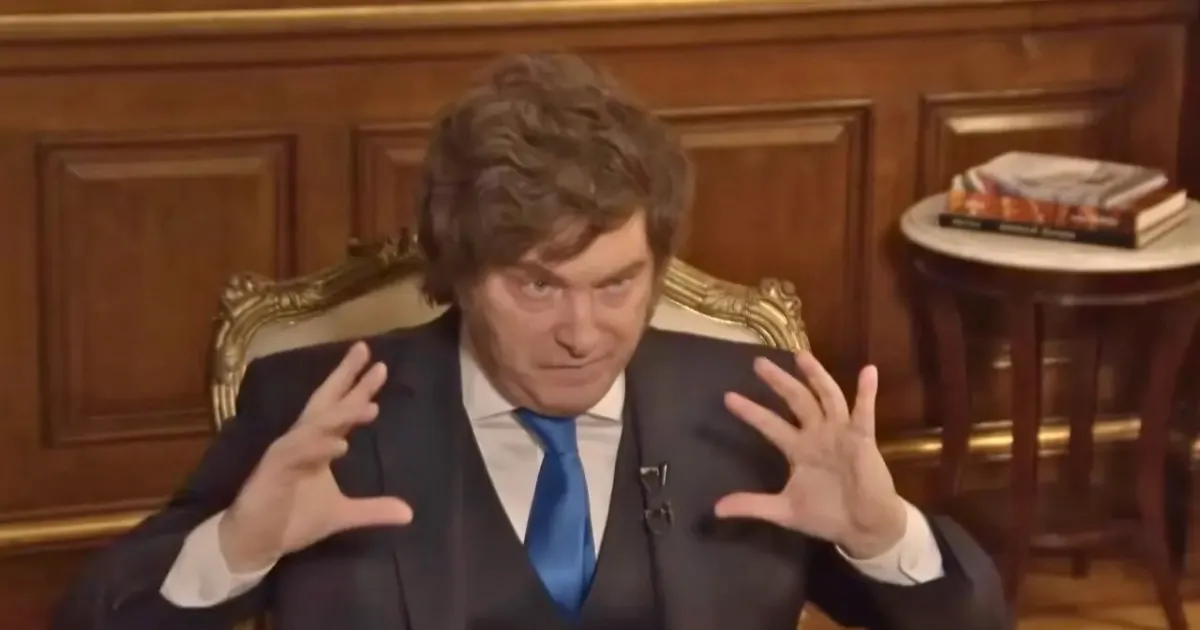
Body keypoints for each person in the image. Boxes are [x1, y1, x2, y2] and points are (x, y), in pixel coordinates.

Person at [54, 52, 1009, 630]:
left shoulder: (754, 413)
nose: (582, 334)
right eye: (536, 285)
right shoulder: (318, 411)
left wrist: (883, 536)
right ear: (461, 271)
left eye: (617, 284)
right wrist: (234, 548)